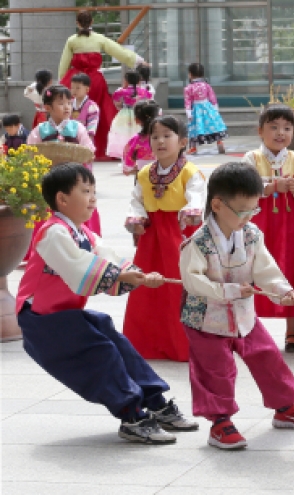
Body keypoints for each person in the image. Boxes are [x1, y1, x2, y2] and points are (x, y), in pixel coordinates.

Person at [16, 163, 198, 444]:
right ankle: (132, 416)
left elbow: (109, 258)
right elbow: (80, 269)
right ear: (62, 199)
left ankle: (155, 401)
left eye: (94, 191)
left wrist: (138, 275)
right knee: (101, 353)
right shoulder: (52, 232)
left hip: (63, 316)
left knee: (112, 335)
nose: (93, 198)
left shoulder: (84, 234)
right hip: (39, 320)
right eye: (85, 191)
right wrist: (125, 275)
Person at [180, 162, 294, 450]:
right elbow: (192, 281)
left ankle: (285, 407)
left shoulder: (252, 235)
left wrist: (282, 290)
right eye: (243, 210)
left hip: (244, 315)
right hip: (206, 319)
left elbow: (265, 269)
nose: (249, 217)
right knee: (215, 369)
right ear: (217, 204)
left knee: (267, 356)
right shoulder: (197, 242)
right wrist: (228, 290)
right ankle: (220, 422)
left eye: (253, 209)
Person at [123, 116, 205, 362]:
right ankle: (146, 343)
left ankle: (181, 344)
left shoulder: (190, 172)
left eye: (166, 135)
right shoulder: (145, 173)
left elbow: (197, 196)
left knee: (178, 287)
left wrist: (192, 210)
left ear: (182, 142)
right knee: (146, 286)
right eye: (155, 136)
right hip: (151, 238)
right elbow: (136, 199)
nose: (160, 141)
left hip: (178, 235)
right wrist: (136, 217)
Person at [241, 104, 294, 351]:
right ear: (261, 131)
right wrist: (271, 186)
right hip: (258, 227)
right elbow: (243, 186)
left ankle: (292, 332)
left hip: (290, 229)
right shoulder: (252, 158)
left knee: (291, 272)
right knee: (252, 272)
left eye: (286, 127)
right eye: (274, 127)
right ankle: (248, 327)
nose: (280, 132)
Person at [59, 10, 150, 160]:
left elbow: (64, 63)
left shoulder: (72, 40)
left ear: (77, 23)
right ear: (92, 22)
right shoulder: (99, 39)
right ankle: (101, 147)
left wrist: (62, 80)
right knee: (98, 112)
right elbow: (119, 51)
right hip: (95, 81)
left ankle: (74, 144)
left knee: (74, 112)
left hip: (75, 79)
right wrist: (139, 61)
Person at [27, 84, 101, 238]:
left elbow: (89, 150)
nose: (67, 107)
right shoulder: (40, 130)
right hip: (50, 178)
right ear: (48, 108)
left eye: (69, 102)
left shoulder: (78, 127)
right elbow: (30, 152)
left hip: (73, 179)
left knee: (77, 207)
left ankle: (83, 239)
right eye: (61, 103)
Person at [107, 70, 152, 159]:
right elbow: (149, 97)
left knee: (123, 135)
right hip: (139, 113)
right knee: (138, 133)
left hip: (125, 114)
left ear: (126, 81)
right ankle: (138, 155)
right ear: (139, 81)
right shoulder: (143, 91)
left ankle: (125, 157)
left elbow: (116, 101)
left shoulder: (122, 91)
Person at [184, 62, 228, 155]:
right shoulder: (206, 85)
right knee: (214, 125)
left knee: (195, 128)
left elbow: (188, 101)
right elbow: (213, 98)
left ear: (190, 74)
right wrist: (215, 109)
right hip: (207, 106)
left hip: (196, 109)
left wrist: (188, 112)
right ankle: (219, 141)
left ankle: (193, 148)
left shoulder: (189, 88)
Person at [122, 99, 159, 177]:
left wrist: (129, 169)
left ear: (137, 120)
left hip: (142, 174)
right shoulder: (166, 138)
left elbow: (127, 156)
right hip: (164, 174)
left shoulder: (136, 140)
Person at [70, 73, 100, 142]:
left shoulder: (92, 106)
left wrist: (88, 140)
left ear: (87, 89)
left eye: (78, 88)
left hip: (84, 140)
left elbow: (92, 125)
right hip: (69, 139)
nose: (74, 90)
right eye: (72, 87)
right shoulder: (69, 103)